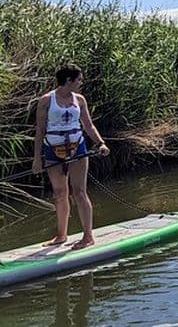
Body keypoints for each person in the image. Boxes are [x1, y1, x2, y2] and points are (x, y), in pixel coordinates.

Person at [32, 64, 110, 249]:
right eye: (79, 80)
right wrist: (37, 159)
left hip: (77, 148)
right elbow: (40, 130)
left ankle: (88, 236)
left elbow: (89, 126)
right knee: (60, 194)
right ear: (69, 81)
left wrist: (101, 143)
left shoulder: (80, 100)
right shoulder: (46, 101)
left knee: (79, 192)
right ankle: (61, 235)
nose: (81, 83)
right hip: (53, 150)